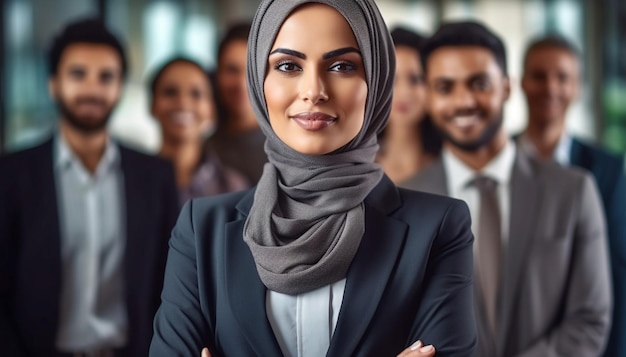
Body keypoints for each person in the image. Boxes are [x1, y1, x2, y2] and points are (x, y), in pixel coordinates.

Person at [150, 1, 477, 356]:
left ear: (378, 81)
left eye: (341, 66)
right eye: (288, 65)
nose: (314, 90)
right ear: (259, 82)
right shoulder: (201, 230)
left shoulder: (439, 229)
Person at [402, 21, 612, 356]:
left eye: (479, 83)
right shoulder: (404, 203)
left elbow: (590, 319)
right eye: (445, 87)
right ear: (427, 96)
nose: (464, 101)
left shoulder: (573, 191)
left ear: (507, 87)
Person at [0, 18, 179, 356]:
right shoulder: (11, 175)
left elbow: (168, 284)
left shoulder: (155, 176)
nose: (93, 89)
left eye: (106, 77)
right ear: (53, 84)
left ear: (121, 87)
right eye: (78, 74)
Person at [518, 35, 626, 357]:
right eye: (539, 76)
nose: (550, 88)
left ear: (577, 86)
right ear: (521, 82)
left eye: (562, 77)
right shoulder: (499, 162)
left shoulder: (607, 170)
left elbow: (616, 269)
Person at [149, 57, 249, 206]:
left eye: (196, 94)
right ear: (153, 105)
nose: (183, 103)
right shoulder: (131, 181)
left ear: (211, 110)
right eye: (170, 92)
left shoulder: (234, 189)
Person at [377, 27, 441, 183]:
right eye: (392, 79)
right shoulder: (354, 167)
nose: (404, 92)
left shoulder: (450, 165)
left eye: (416, 79)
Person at [207, 22, 268, 184]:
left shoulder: (289, 148)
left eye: (251, 71)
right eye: (232, 70)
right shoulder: (205, 149)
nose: (242, 84)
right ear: (217, 75)